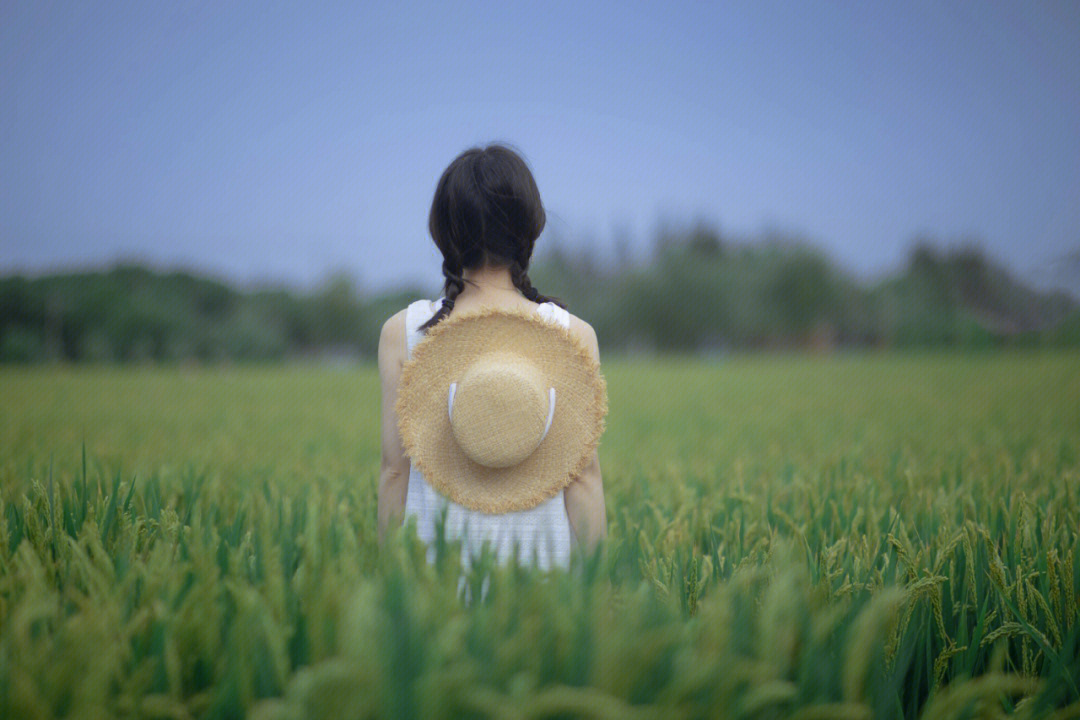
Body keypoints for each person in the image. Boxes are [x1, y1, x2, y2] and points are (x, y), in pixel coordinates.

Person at [377, 143, 606, 568]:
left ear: (444, 231)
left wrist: (391, 586)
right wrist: (599, 588)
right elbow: (585, 478)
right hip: (544, 578)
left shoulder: (404, 334)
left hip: (436, 578)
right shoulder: (572, 335)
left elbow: (395, 470)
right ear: (529, 228)